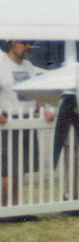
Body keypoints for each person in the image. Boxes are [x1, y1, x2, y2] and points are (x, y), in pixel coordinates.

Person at [0, 41, 54, 206]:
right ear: (12, 45)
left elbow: (35, 93)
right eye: (23, 43)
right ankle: (4, 208)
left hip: (28, 119)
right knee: (9, 170)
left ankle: (16, 207)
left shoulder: (29, 66)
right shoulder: (2, 65)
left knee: (21, 168)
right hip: (10, 120)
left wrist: (43, 108)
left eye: (29, 43)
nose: (28, 46)